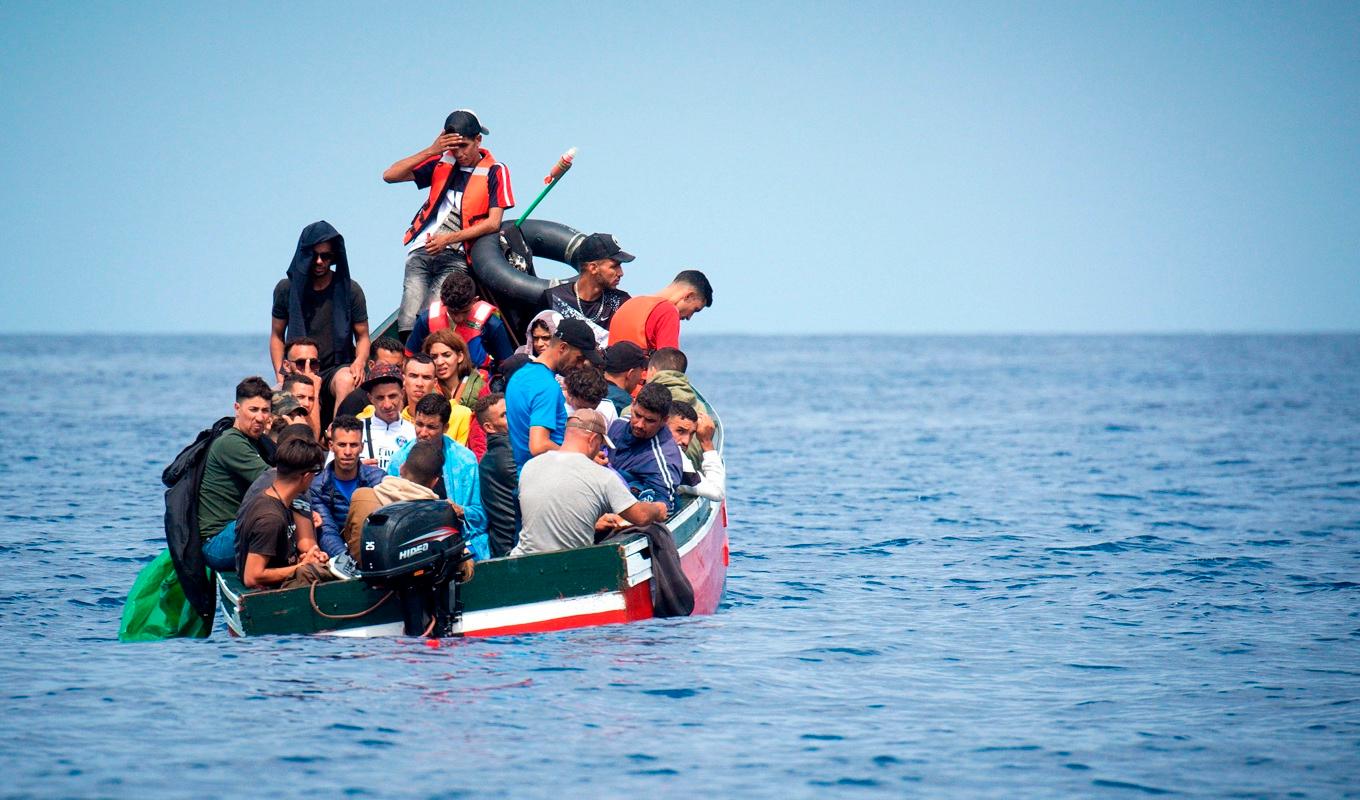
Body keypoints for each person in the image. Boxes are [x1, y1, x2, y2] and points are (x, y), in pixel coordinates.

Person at [384, 109, 515, 337]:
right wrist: (431, 151)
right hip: (422, 251)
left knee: (432, 318)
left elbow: (494, 223)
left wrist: (448, 239)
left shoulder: (495, 171)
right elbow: (390, 175)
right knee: (407, 321)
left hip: (457, 256)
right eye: (453, 147)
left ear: (478, 140)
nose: (459, 153)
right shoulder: (441, 162)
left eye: (464, 146)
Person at [510, 409, 666, 557]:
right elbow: (641, 516)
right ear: (593, 440)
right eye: (601, 444)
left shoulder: (530, 466)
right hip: (568, 566)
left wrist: (594, 522)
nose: (600, 449)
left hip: (524, 558)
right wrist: (658, 509)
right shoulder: (603, 477)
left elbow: (552, 512)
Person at [270, 221, 370, 416]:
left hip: (336, 367)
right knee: (273, 396)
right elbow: (276, 335)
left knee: (347, 379)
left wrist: (359, 362)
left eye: (325, 256)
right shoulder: (286, 289)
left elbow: (363, 336)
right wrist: (280, 373)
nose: (319, 261)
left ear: (333, 257)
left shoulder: (350, 290)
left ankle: (338, 435)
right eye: (313, 255)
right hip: (298, 367)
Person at [387, 394, 489, 560]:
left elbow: (481, 515)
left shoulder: (465, 461)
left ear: (446, 427)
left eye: (431, 427)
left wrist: (460, 511)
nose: (423, 432)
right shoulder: (398, 461)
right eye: (419, 424)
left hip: (458, 539)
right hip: (411, 543)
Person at [236, 436, 334, 590]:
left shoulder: (281, 502)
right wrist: (302, 566)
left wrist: (307, 558)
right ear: (307, 476)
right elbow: (251, 576)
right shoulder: (270, 519)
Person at [505, 318, 602, 470]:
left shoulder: (520, 376)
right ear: (563, 348)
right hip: (544, 479)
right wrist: (582, 458)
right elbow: (539, 445)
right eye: (579, 358)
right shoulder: (547, 385)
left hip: (526, 475)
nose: (580, 365)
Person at [200, 377, 274, 572]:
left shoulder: (258, 442)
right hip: (218, 542)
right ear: (237, 408)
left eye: (265, 410)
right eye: (253, 409)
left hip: (236, 531)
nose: (260, 417)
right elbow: (276, 480)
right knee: (273, 518)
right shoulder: (231, 443)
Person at [340, 438, 446, 561]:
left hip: (364, 576)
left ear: (401, 468)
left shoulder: (361, 497)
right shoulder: (440, 515)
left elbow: (350, 540)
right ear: (435, 482)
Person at [309, 415, 386, 559]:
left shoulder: (378, 479)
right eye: (342, 445)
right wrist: (346, 563)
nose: (348, 452)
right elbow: (327, 532)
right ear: (331, 446)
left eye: (354, 445)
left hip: (374, 552)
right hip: (337, 558)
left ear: (362, 447)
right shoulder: (317, 486)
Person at [404, 270, 515, 369]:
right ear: (443, 301)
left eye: (465, 312)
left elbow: (507, 364)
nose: (459, 318)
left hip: (479, 382)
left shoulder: (492, 324)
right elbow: (409, 357)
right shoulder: (425, 321)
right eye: (454, 313)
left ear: (475, 301)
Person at [542, 233, 634, 347]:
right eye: (614, 266)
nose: (621, 273)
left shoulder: (622, 302)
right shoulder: (553, 298)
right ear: (593, 268)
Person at [606, 383, 684, 512]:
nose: (640, 425)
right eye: (637, 415)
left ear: (664, 420)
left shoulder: (664, 460)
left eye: (650, 420)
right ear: (632, 405)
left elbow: (663, 510)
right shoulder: (619, 424)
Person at [608, 270, 713, 354]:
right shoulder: (667, 311)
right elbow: (668, 367)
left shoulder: (629, 304)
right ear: (688, 296)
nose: (689, 317)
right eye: (695, 310)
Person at [399, 352, 479, 455]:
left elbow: (460, 459)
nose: (419, 383)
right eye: (413, 376)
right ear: (404, 380)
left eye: (426, 377)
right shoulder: (397, 420)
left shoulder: (460, 414)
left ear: (435, 383)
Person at [475, 393, 517, 558]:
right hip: (512, 548)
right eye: (505, 415)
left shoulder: (499, 453)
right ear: (489, 427)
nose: (513, 417)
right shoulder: (505, 455)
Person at [353, 362, 414, 470]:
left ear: (402, 393)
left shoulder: (413, 433)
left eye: (392, 396)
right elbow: (330, 471)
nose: (387, 405)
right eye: (380, 398)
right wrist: (355, 470)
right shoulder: (355, 429)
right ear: (370, 398)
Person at [334, 336, 406, 419]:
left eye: (397, 367)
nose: (391, 371)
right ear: (371, 365)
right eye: (386, 366)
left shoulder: (409, 392)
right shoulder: (355, 403)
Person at [667, 401, 725, 502]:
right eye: (680, 431)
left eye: (691, 434)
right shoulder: (676, 460)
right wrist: (706, 442)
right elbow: (717, 492)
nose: (686, 441)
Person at [602, 341, 648, 415]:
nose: (640, 378)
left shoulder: (587, 388)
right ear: (631, 374)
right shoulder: (625, 404)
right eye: (641, 371)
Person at [279, 371, 320, 438]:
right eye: (300, 397)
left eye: (311, 399)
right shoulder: (271, 424)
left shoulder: (306, 424)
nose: (307, 404)